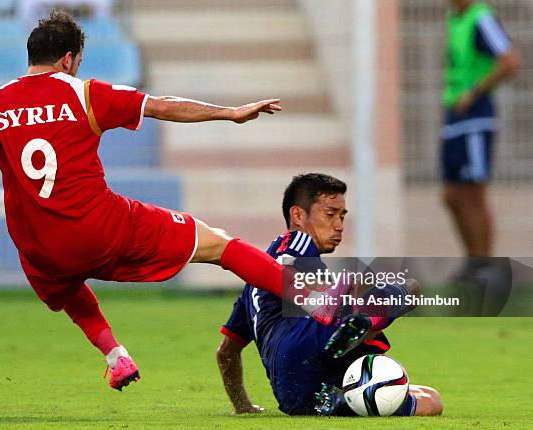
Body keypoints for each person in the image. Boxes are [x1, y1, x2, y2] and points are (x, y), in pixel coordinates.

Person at [0, 10, 308, 392]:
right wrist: (230, 113)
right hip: (101, 229)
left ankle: (116, 357)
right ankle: (320, 306)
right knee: (218, 244)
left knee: (64, 283)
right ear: (69, 59)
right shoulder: (85, 93)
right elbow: (162, 104)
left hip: (39, 248)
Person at [216, 173, 443, 416]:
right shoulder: (298, 245)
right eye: (330, 214)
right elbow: (311, 284)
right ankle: (366, 323)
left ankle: (362, 332)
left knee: (428, 397)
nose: (339, 225)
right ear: (298, 216)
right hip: (311, 347)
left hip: (293, 393)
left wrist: (243, 407)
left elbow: (226, 352)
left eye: (342, 216)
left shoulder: (254, 283)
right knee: (409, 287)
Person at [442, 0, 519, 270]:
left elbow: (509, 61)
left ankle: (483, 267)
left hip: (475, 117)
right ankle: (473, 262)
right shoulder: (455, 17)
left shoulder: (481, 17)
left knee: (474, 193)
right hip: (454, 116)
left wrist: (474, 92)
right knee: (451, 196)